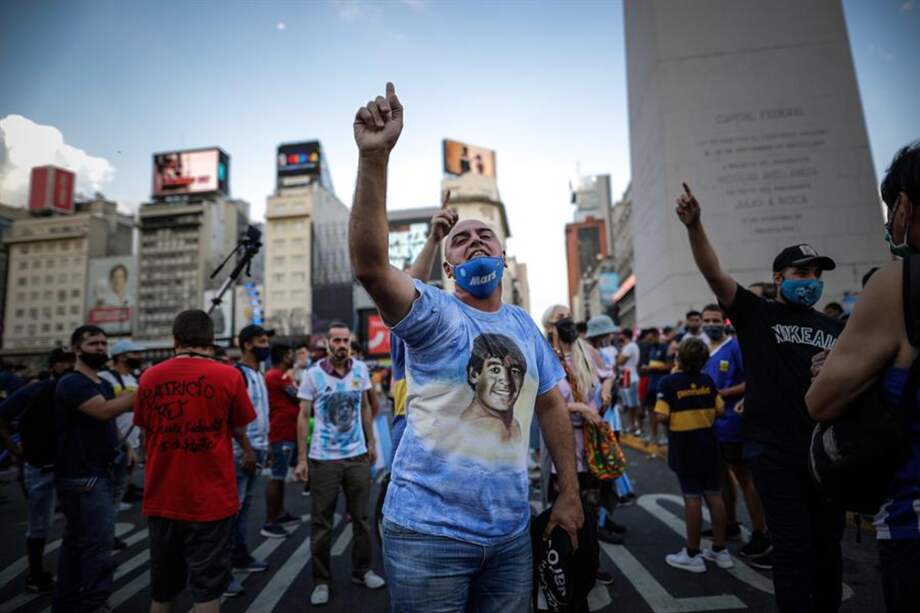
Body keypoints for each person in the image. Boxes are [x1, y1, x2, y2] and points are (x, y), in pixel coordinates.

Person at [348, 82, 580, 612]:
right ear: (448, 269)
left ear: (504, 257)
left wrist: (568, 491)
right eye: (461, 238)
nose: (475, 240)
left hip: (510, 538)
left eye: (485, 236)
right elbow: (371, 266)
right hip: (426, 537)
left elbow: (551, 404)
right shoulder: (436, 314)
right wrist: (374, 158)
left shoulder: (524, 326)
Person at [676, 182, 844, 612]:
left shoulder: (836, 329)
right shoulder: (757, 314)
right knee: (792, 549)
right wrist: (695, 226)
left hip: (825, 454)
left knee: (828, 548)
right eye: (801, 274)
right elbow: (714, 273)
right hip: (774, 452)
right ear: (778, 279)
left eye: (816, 275)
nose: (811, 282)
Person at [806, 142, 920, 613]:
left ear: (905, 205)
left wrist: (835, 367)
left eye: (890, 212)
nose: (890, 226)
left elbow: (821, 401)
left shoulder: (899, 282)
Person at [133, 310, 256, 613]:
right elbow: (239, 429)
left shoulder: (149, 377)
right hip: (211, 500)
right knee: (207, 593)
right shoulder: (229, 376)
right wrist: (248, 451)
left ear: (175, 339)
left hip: (163, 497)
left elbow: (144, 433)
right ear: (211, 340)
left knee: (162, 593)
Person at [294, 322, 385, 606]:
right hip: (324, 459)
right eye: (336, 340)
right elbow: (302, 416)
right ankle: (321, 581)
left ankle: (362, 570)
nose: (342, 345)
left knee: (362, 519)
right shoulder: (312, 375)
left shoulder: (360, 370)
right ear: (327, 343)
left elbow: (365, 407)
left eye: (345, 340)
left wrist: (371, 443)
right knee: (321, 524)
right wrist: (302, 458)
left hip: (357, 456)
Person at [53, 325, 136, 613]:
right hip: (84, 476)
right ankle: (94, 603)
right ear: (77, 349)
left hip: (101, 471)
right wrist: (143, 389)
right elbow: (103, 411)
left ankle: (66, 603)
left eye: (103, 343)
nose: (100, 348)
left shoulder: (101, 383)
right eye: (93, 343)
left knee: (78, 542)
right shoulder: (72, 383)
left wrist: (126, 446)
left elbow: (108, 422)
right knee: (98, 545)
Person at [542, 305, 621, 579]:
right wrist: (582, 408)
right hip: (563, 443)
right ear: (549, 326)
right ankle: (563, 564)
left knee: (590, 506)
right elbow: (545, 406)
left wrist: (606, 391)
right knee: (563, 505)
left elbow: (608, 374)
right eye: (560, 318)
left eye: (569, 316)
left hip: (590, 442)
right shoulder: (545, 357)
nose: (567, 321)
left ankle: (590, 565)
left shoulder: (586, 351)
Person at [699, 303, 772, 566]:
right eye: (707, 320)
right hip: (711, 425)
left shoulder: (735, 347)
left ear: (724, 321)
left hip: (733, 424)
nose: (711, 324)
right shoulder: (703, 350)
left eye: (715, 319)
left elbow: (751, 381)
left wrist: (721, 394)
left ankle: (760, 533)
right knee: (721, 478)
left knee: (745, 477)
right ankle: (729, 523)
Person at [0, 348, 75, 593]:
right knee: (39, 523)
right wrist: (13, 447)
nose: (69, 366)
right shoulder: (34, 390)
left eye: (72, 362)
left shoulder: (81, 390)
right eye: (63, 362)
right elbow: (2, 416)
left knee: (83, 518)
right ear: (52, 367)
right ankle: (35, 574)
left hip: (74, 468)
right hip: (40, 467)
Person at [655, 338, 733, 572]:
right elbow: (720, 410)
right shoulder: (708, 380)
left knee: (692, 497)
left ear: (679, 358)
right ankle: (720, 550)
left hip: (684, 448)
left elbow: (661, 416)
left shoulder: (668, 382)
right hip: (710, 446)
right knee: (714, 495)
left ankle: (692, 553)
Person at [227, 324, 273, 595]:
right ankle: (222, 573)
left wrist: (264, 448)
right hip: (243, 453)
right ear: (247, 345)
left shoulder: (257, 373)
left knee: (243, 508)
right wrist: (246, 450)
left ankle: (239, 556)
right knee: (232, 510)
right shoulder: (238, 375)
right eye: (261, 341)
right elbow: (235, 418)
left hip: (257, 449)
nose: (266, 346)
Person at [99, 339, 144, 516]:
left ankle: (110, 521)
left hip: (132, 439)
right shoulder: (104, 377)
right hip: (112, 441)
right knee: (107, 487)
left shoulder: (133, 378)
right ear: (121, 357)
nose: (140, 357)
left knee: (121, 485)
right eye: (135, 353)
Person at [263, 343, 303, 536]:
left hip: (285, 432)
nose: (293, 357)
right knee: (277, 477)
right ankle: (270, 522)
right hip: (281, 433)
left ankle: (279, 514)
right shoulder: (277, 376)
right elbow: (299, 395)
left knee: (280, 476)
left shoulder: (278, 375)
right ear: (285, 356)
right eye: (291, 354)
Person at [640, 328, 670, 447]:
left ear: (657, 335)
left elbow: (669, 366)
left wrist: (651, 368)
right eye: (648, 340)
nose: (649, 341)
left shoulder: (665, 348)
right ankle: (654, 436)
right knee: (651, 411)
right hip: (651, 385)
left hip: (662, 385)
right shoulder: (651, 349)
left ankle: (666, 437)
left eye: (651, 339)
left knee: (663, 412)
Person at [617, 328, 641, 435]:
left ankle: (635, 426)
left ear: (624, 335)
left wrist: (618, 357)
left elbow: (620, 361)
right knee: (629, 404)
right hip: (627, 377)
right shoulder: (628, 346)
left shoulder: (630, 346)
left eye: (620, 335)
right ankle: (632, 425)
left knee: (633, 404)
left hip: (630, 377)